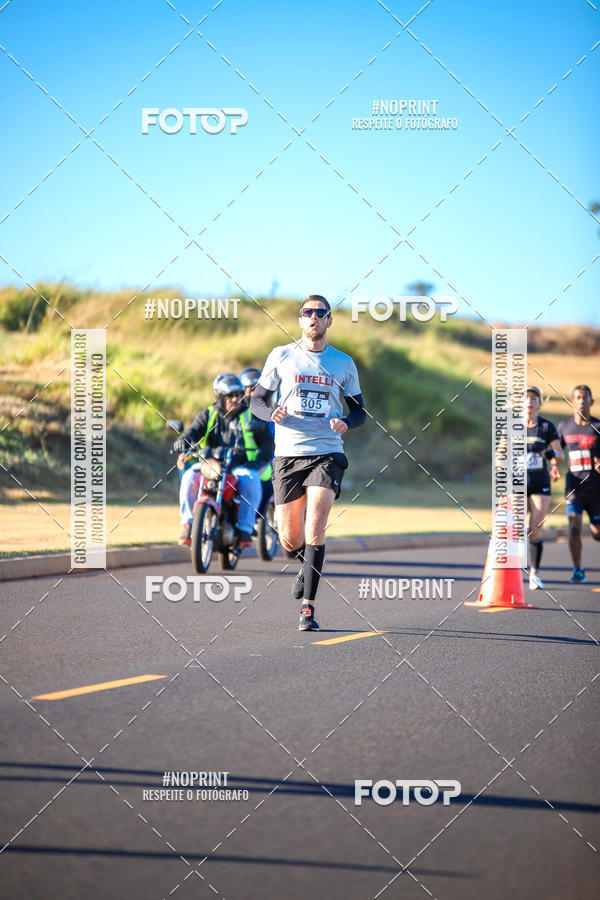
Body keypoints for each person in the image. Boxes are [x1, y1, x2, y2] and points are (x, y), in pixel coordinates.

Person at [250, 294, 366, 630]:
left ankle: (308, 609)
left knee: (316, 524)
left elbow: (360, 410)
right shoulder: (282, 356)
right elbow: (256, 399)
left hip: (327, 451)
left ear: (330, 320)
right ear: (300, 320)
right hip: (287, 453)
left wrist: (347, 421)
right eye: (307, 312)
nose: (313, 317)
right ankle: (305, 563)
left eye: (320, 313)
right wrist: (271, 413)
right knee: (289, 539)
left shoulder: (343, 363)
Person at [174, 373, 274, 548]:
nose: (235, 399)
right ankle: (188, 524)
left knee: (250, 480)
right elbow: (193, 432)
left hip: (240, 466)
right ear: (220, 397)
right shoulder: (208, 414)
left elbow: (267, 443)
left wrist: (256, 462)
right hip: (211, 465)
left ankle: (245, 529)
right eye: (230, 396)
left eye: (238, 394)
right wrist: (183, 441)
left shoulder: (251, 415)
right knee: (189, 476)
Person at [557, 385, 600, 584]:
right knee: (574, 527)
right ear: (572, 402)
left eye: (585, 398)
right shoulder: (564, 427)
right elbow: (556, 451)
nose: (581, 401)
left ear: (591, 402)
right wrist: (553, 465)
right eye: (578, 398)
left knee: (597, 533)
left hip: (596, 489)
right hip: (573, 487)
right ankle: (578, 570)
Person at [525, 386, 563, 589]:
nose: (529, 402)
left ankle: (534, 574)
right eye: (526, 398)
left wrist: (552, 459)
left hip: (540, 483)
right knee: (513, 527)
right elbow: (500, 452)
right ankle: (509, 572)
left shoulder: (547, 427)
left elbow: (559, 454)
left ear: (539, 403)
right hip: (517, 484)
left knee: (536, 529)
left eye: (534, 398)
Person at [239, 367, 274, 517]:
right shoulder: (237, 416)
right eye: (249, 389)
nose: (253, 394)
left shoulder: (272, 414)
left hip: (270, 465)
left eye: (257, 389)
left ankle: (261, 517)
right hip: (242, 465)